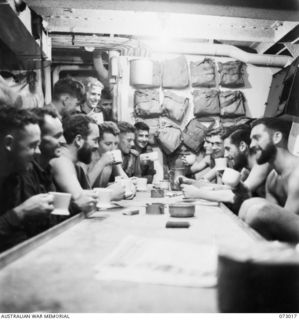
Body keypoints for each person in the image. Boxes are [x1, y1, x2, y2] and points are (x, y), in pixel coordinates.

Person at [1, 107, 66, 236]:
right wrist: (21, 212)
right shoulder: (23, 175)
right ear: (9, 143)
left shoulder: (14, 177)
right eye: (32, 145)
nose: (38, 152)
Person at [182, 126, 270, 214]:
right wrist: (192, 183)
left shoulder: (262, 164)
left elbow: (237, 196)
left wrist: (198, 193)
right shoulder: (245, 168)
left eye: (228, 149)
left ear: (242, 146)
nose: (225, 155)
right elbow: (227, 189)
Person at [239, 118, 299, 242]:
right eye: (251, 140)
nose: (251, 145)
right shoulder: (272, 176)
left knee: (260, 212)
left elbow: (279, 219)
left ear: (277, 137)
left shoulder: (297, 174)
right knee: (248, 205)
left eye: (257, 138)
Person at [50, 114, 99, 213]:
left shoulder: (77, 166)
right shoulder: (61, 160)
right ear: (78, 140)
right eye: (95, 140)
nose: (97, 146)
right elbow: (83, 201)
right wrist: (110, 195)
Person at [87, 122, 126, 198]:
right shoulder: (87, 158)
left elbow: (125, 182)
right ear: (97, 142)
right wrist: (102, 162)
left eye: (116, 144)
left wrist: (118, 166)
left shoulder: (110, 159)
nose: (113, 148)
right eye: (108, 144)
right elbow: (85, 188)